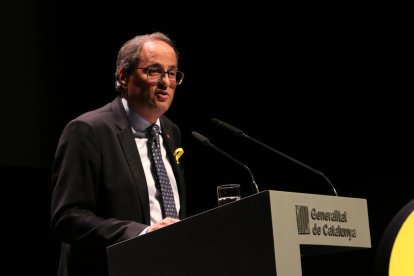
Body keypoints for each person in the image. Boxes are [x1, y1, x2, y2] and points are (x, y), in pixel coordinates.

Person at [50, 32, 186, 276]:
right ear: (124, 76)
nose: (165, 82)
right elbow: (67, 218)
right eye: (154, 71)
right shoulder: (88, 131)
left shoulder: (170, 132)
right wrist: (141, 234)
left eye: (172, 72)